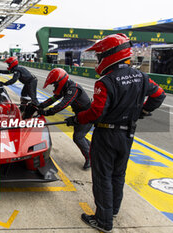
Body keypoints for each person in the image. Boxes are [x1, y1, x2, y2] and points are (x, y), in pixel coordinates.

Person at [65, 33, 166, 232]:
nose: (98, 60)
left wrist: (77, 119)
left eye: (99, 56)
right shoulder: (142, 76)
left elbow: (96, 112)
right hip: (128, 135)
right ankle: (112, 211)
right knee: (118, 175)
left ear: (110, 55)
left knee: (102, 177)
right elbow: (159, 95)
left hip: (106, 136)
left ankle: (103, 221)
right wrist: (143, 111)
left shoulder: (106, 81)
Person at [38, 68, 92, 169]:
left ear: (60, 81)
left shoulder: (73, 89)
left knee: (78, 137)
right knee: (81, 136)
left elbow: (63, 104)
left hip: (87, 114)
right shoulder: (65, 88)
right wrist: (40, 105)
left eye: (55, 84)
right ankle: (94, 151)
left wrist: (47, 112)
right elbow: (53, 99)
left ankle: (90, 159)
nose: (54, 86)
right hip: (80, 113)